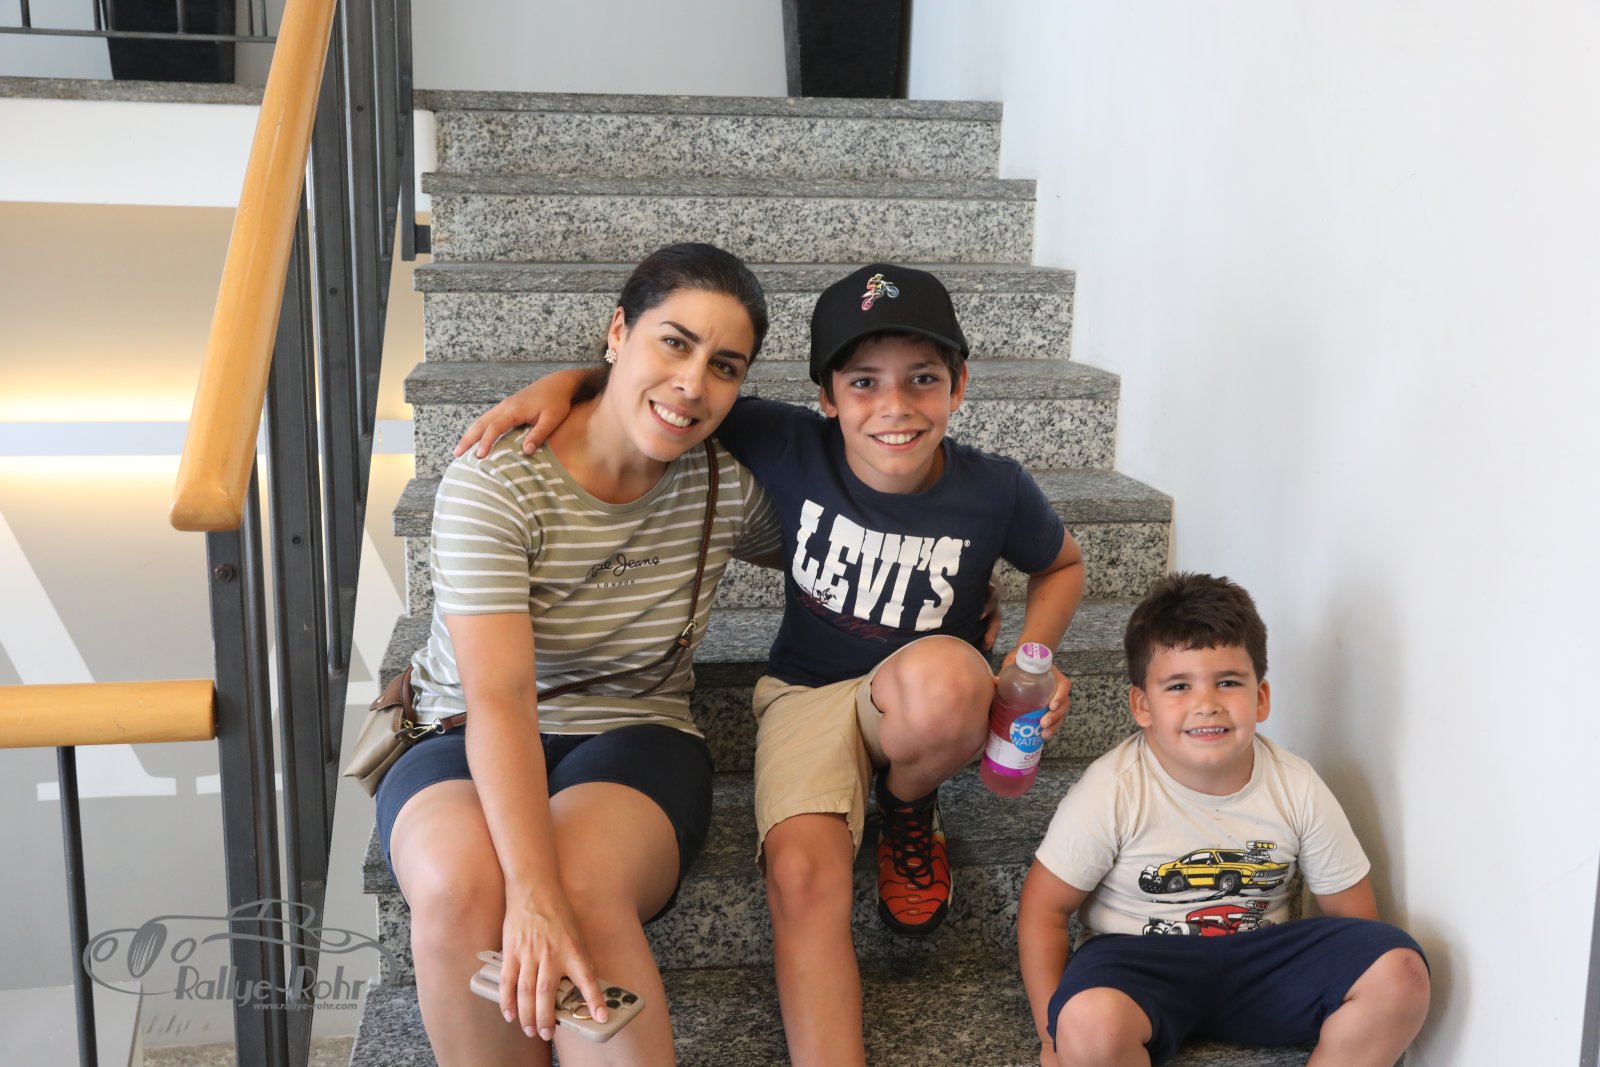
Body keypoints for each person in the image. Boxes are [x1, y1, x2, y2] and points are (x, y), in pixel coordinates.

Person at [455, 263, 1087, 1066]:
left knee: (952, 679)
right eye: (863, 382)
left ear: (960, 386)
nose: (894, 406)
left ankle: (907, 805)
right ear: (825, 396)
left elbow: (1063, 563)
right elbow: (662, 389)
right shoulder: (783, 441)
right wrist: (561, 385)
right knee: (801, 875)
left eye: (923, 379)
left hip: (925, 699)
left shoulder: (996, 489)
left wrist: (1032, 657)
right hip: (805, 697)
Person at [376, 243, 782, 1067]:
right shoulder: (497, 477)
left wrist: (957, 578)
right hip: (462, 726)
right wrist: (528, 892)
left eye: (724, 366)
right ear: (618, 331)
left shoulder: (726, 486)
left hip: (636, 733)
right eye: (674, 342)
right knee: (459, 883)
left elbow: (844, 529)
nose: (693, 383)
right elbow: (499, 697)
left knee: (584, 885)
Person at [1017, 573, 1430, 1067]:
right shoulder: (1112, 788)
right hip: (1137, 964)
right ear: (1142, 706)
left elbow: (1353, 919)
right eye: (1179, 686)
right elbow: (1043, 909)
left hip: (1262, 962)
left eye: (1228, 682)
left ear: (1261, 697)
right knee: (1086, 1022)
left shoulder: (1296, 785)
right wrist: (1052, 1036)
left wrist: (1355, 976)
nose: (1206, 704)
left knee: (1400, 970)